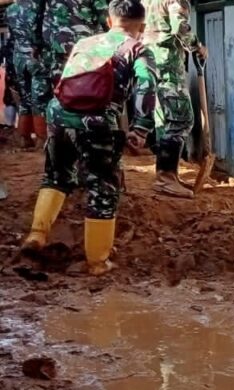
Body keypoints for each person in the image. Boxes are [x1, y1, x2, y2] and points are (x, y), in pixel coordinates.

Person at [19, 0, 156, 275]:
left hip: (58, 115)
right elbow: (146, 85)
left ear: (109, 21)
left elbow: (65, 79)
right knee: (102, 188)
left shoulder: (84, 44)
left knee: (56, 176)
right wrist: (141, 128)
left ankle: (36, 235)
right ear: (142, 26)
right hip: (97, 122)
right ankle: (97, 262)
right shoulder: (137, 48)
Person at [142, 0, 205, 198]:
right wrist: (198, 46)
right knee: (182, 118)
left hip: (149, 61)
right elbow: (180, 28)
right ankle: (165, 178)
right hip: (167, 63)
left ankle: (169, 174)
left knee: (164, 119)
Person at [38, 0, 109, 146]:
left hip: (57, 45)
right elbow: (106, 17)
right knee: (89, 91)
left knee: (60, 92)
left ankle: (60, 138)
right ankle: (83, 135)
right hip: (83, 48)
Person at [6, 0, 45, 149]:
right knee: (39, 98)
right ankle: (42, 139)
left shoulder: (11, 9)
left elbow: (13, 34)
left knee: (25, 98)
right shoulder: (38, 4)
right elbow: (39, 31)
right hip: (35, 56)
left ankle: (24, 138)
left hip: (18, 57)